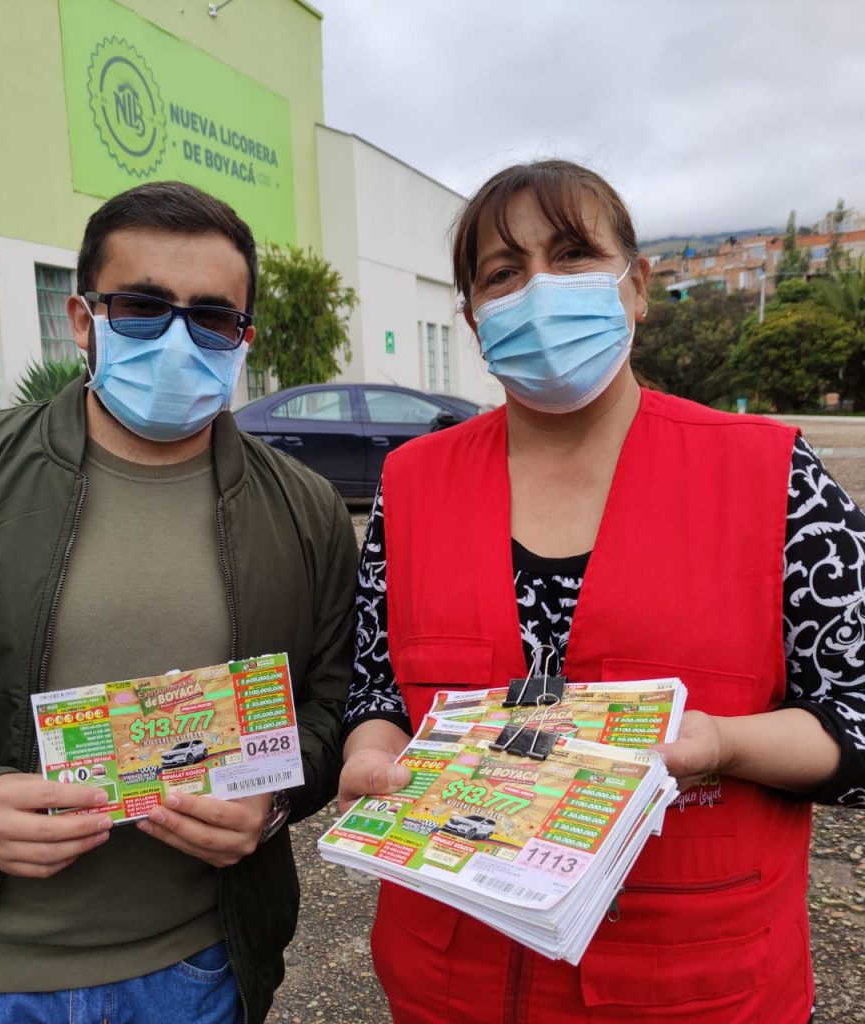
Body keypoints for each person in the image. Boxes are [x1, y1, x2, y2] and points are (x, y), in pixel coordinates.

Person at [338, 159, 865, 1024]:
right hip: (449, 982)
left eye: (573, 254)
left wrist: (724, 743)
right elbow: (377, 688)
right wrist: (371, 750)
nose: (539, 289)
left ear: (638, 285)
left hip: (698, 987)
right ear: (473, 320)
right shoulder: (412, 484)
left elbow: (856, 715)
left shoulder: (772, 477)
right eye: (503, 273)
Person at [0, 180, 358, 1024]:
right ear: (83, 320)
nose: (179, 338)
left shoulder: (306, 512)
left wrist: (274, 803)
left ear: (243, 339)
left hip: (204, 971)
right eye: (143, 308)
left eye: (212, 317)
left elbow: (334, 702)